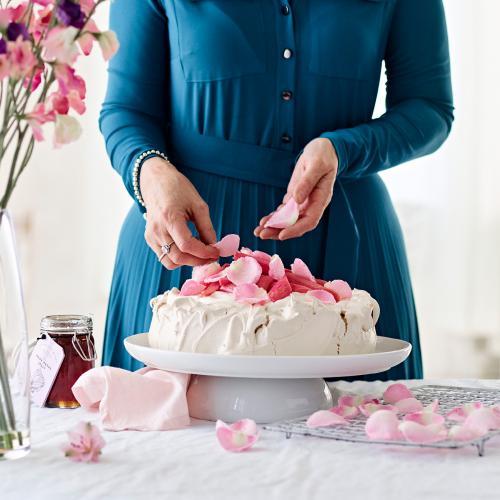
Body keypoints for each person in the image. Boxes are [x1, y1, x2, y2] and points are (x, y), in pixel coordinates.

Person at [99, 0, 453, 378]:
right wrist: (150, 174)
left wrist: (343, 149)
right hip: (187, 239)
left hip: (345, 236)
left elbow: (429, 108)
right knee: (166, 433)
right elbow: (125, 109)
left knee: (359, 425)